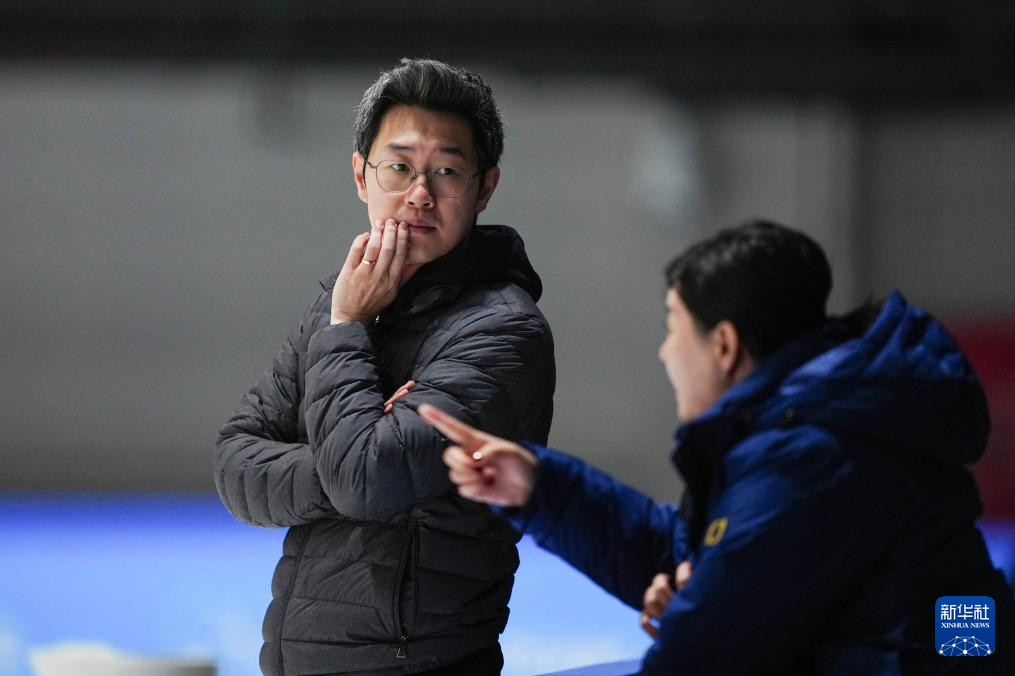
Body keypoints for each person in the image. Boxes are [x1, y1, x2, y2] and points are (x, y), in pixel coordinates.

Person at [418, 220, 1015, 674]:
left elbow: (700, 651)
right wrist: (539, 486)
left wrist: (695, 605)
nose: (664, 352)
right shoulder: (819, 420)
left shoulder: (809, 456)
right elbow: (707, 560)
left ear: (724, 346)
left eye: (672, 327)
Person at [214, 58, 555, 676]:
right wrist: (348, 456)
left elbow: (365, 480)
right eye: (399, 168)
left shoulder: (503, 330)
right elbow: (235, 464)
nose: (419, 194)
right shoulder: (342, 301)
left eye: (446, 171)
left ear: (484, 188)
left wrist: (348, 329)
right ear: (360, 176)